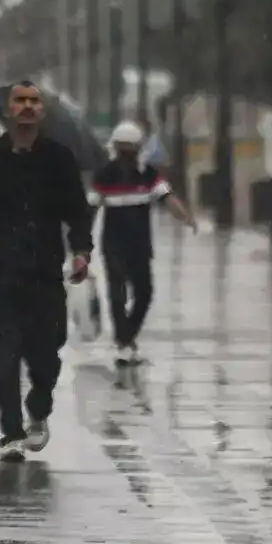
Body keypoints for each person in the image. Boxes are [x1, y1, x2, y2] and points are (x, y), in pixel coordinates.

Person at [0, 80, 93, 463]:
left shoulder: (59, 160)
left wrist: (82, 251)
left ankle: (39, 403)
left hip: (44, 269)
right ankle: (11, 432)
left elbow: (77, 211)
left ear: (42, 112)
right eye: (21, 101)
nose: (28, 107)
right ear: (7, 111)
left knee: (47, 350)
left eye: (34, 101)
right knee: (4, 351)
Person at [91, 120, 196, 367]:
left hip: (139, 245)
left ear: (138, 149)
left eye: (131, 148)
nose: (127, 153)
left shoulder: (149, 175)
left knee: (144, 293)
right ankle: (123, 343)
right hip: (113, 244)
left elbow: (167, 198)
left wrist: (186, 218)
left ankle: (127, 338)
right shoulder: (105, 174)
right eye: (123, 148)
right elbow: (91, 207)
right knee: (117, 294)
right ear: (116, 148)